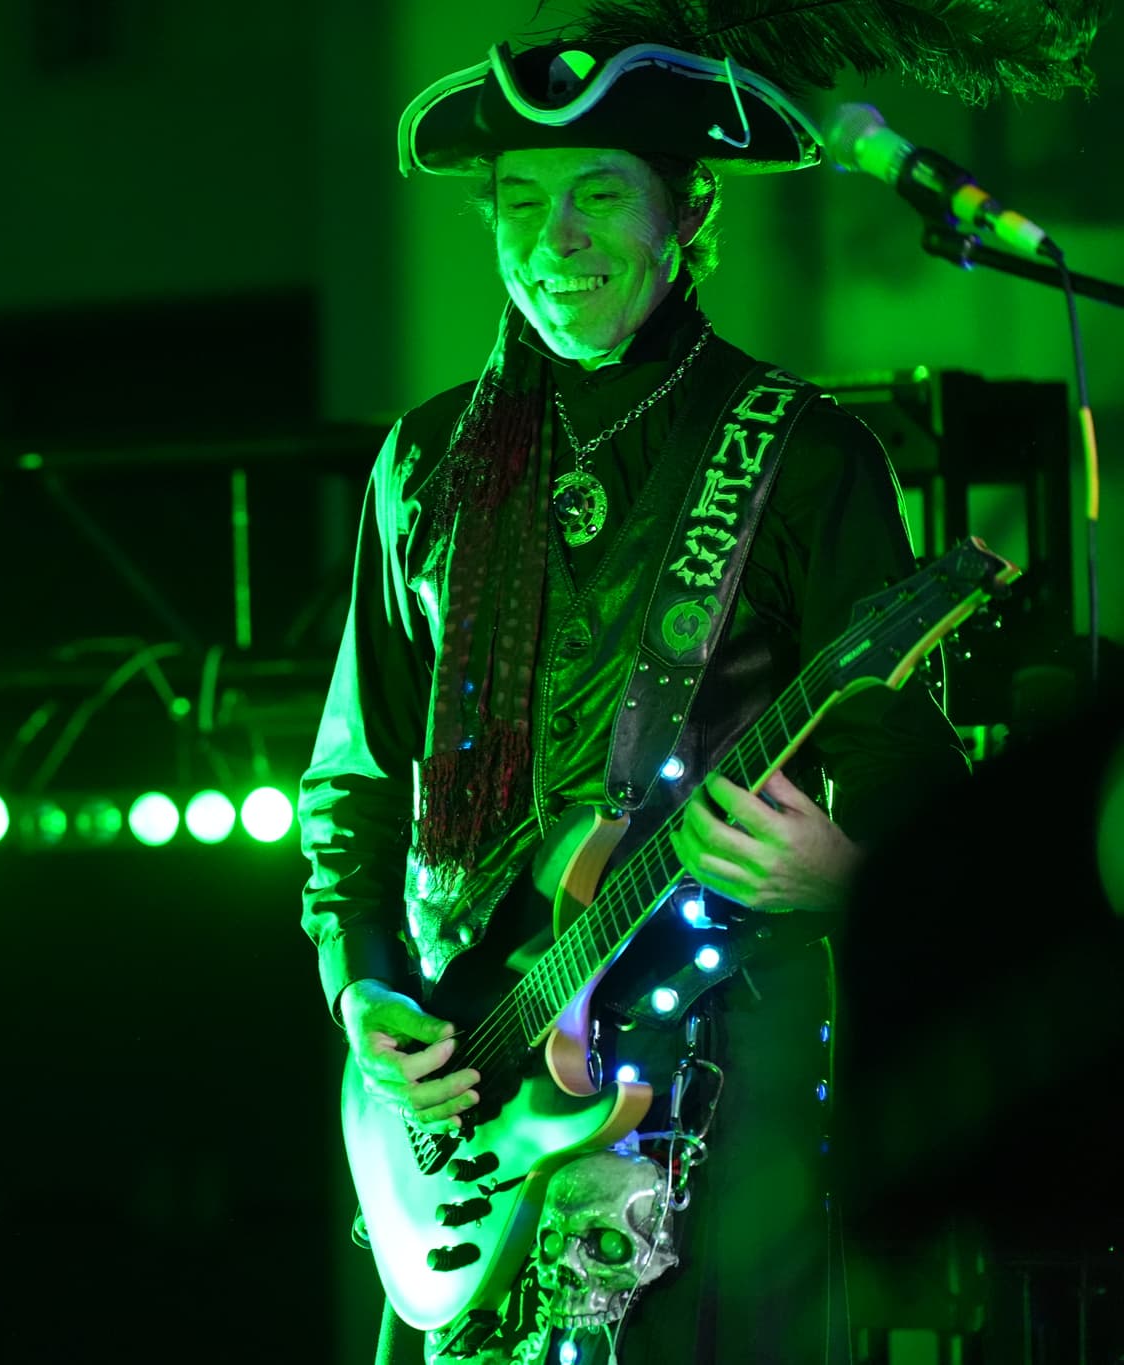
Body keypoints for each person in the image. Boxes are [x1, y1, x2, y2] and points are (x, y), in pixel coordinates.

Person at [297, 30, 979, 1365]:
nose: (559, 238)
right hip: (470, 1094)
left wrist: (843, 871)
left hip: (712, 1083)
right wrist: (363, 989)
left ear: (689, 211)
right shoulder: (424, 462)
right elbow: (357, 782)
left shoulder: (806, 455)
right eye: (518, 201)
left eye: (600, 192)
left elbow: (923, 793)